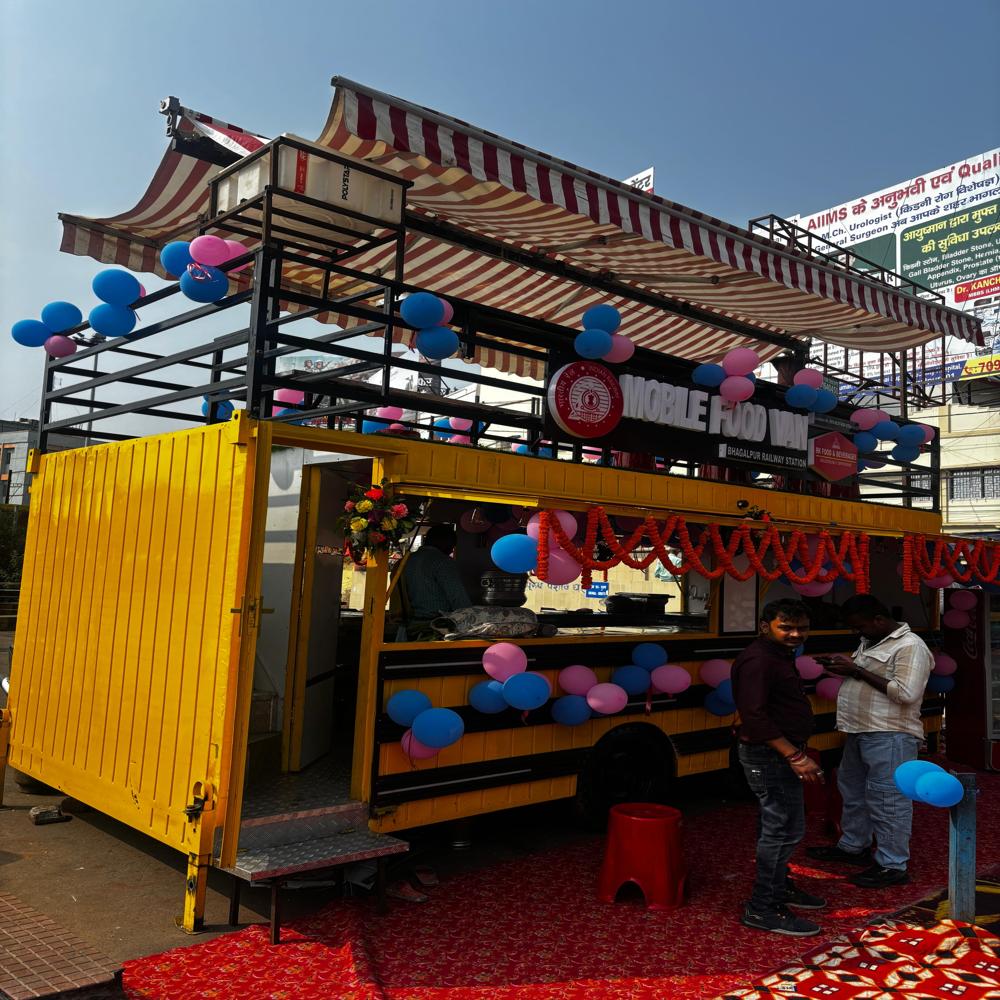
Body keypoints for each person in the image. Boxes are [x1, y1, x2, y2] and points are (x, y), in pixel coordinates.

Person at [807, 594, 934, 888]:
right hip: (860, 729)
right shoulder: (873, 640)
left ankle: (892, 864)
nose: (857, 633)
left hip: (890, 733)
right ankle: (854, 846)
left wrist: (856, 671)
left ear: (879, 620)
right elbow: (869, 676)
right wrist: (845, 667)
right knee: (852, 790)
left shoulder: (910, 646)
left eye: (860, 626)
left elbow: (905, 694)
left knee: (888, 798)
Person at [732, 598, 827, 936]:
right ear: (764, 626)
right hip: (770, 757)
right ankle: (762, 907)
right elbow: (754, 716)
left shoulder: (778, 655)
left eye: (801, 628)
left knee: (780, 826)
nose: (795, 634)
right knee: (783, 829)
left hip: (779, 753)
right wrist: (794, 755)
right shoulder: (758, 660)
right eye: (786, 627)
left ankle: (780, 886)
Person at [402, 523, 471, 620]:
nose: (451, 550)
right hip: (438, 622)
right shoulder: (442, 561)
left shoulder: (408, 560)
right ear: (446, 542)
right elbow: (458, 598)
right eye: (452, 546)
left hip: (412, 619)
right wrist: (471, 617)